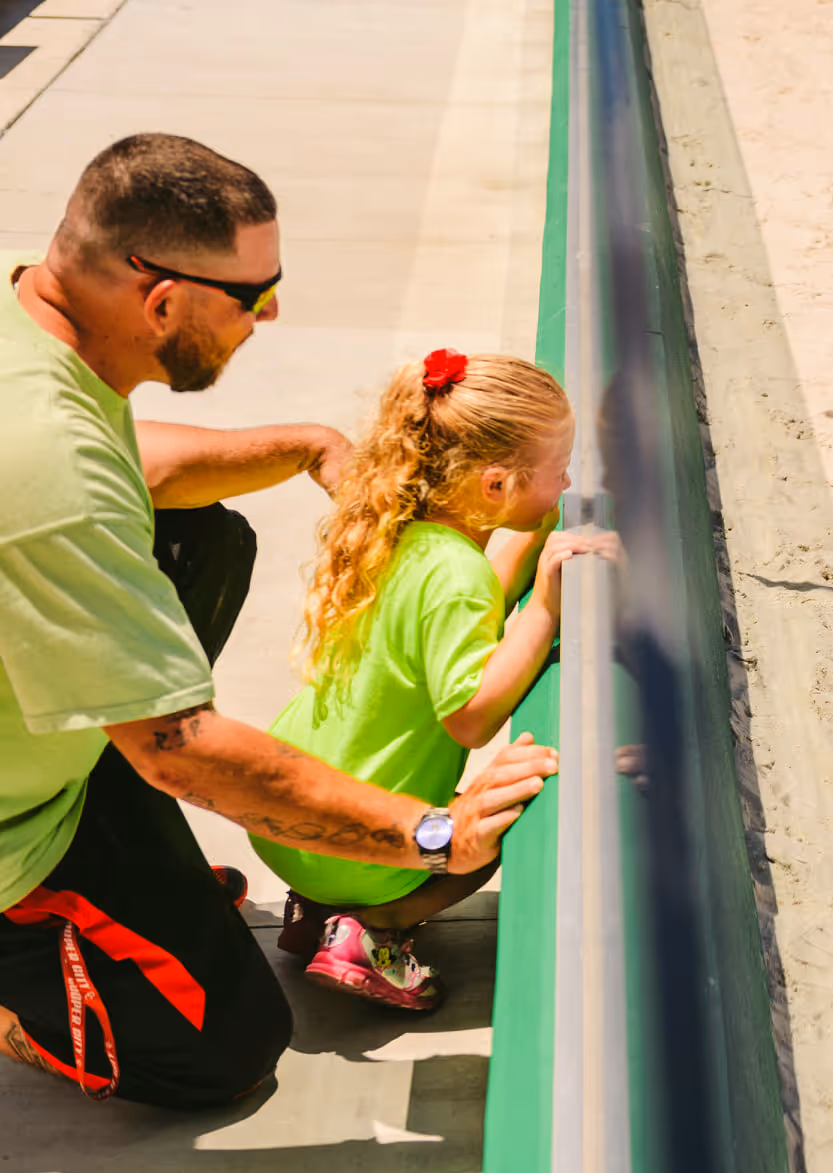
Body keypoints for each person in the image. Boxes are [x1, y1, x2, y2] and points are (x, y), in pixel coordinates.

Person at [0, 134, 557, 1107]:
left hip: (56, 743)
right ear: (161, 298)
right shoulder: (48, 471)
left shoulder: (35, 336)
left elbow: (126, 463)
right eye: (254, 294)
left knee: (204, 541)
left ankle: (110, 830)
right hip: (16, 830)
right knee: (225, 1053)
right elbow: (176, 746)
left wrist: (308, 447)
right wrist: (429, 835)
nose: (273, 311)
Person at [255, 348, 587, 1010]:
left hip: (285, 819)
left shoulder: (402, 534)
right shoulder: (456, 574)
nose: (569, 479)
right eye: (558, 472)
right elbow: (470, 715)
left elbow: (477, 607)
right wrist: (547, 608)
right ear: (496, 486)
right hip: (360, 847)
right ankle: (376, 929)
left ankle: (315, 906)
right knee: (491, 829)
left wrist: (543, 525)